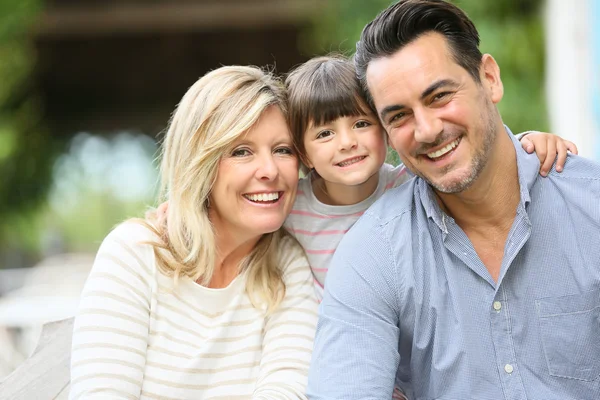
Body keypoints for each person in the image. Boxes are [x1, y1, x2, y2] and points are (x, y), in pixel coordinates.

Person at [306, 1, 600, 399]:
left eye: (440, 96)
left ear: (490, 79)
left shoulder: (589, 203)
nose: (426, 130)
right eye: (398, 116)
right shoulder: (373, 252)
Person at [69, 66, 318, 400]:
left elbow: (288, 390)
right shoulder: (135, 253)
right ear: (200, 164)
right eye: (241, 151)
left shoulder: (288, 263)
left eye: (283, 149)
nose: (270, 171)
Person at [284, 55, 576, 301]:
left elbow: (471, 159)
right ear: (304, 154)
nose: (346, 142)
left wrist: (529, 142)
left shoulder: (407, 184)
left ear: (387, 130)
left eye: (361, 124)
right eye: (325, 134)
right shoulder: (292, 207)